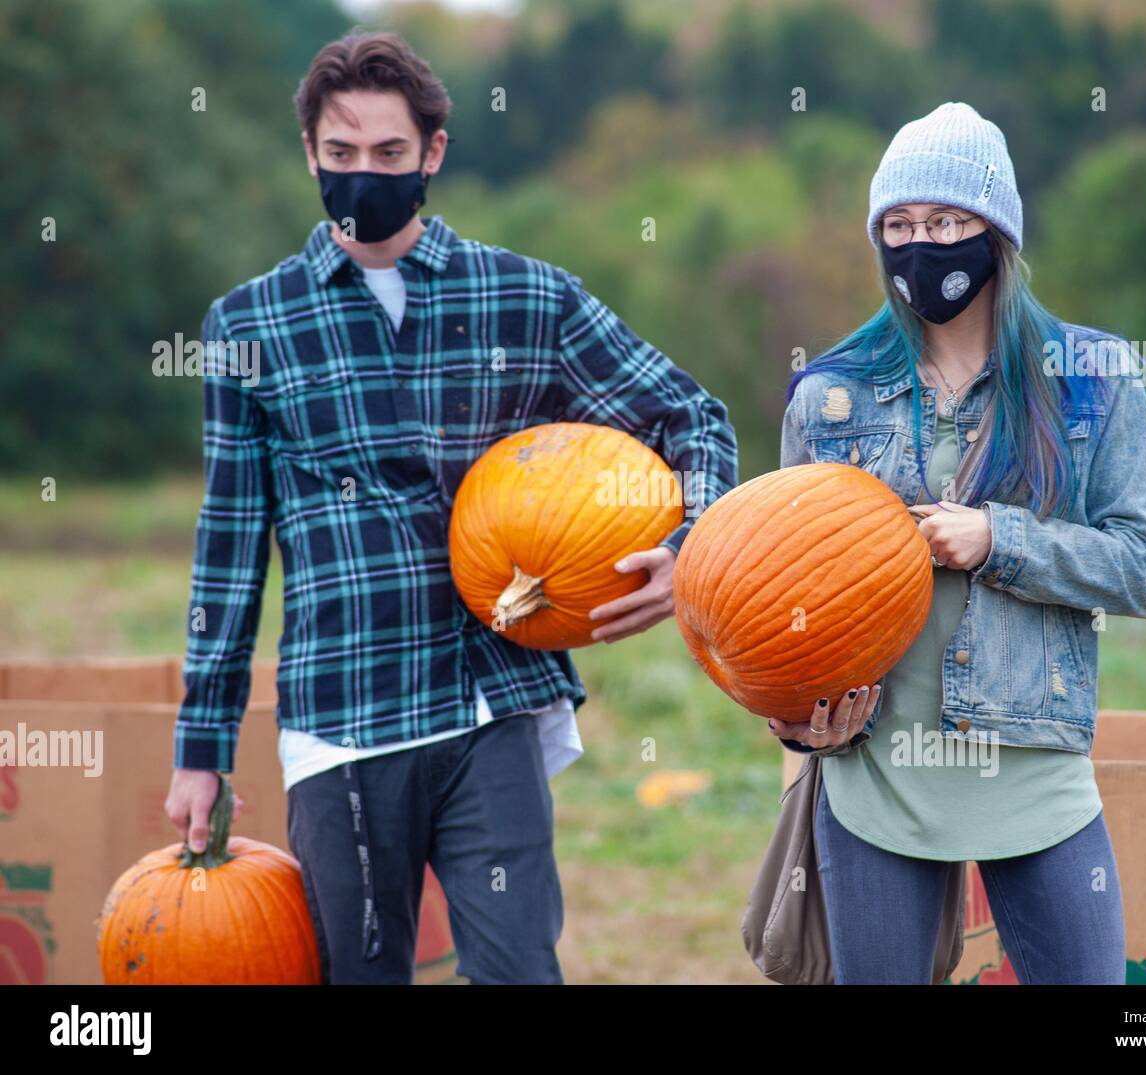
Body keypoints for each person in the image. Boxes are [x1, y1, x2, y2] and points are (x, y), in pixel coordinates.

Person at [164, 29, 738, 985]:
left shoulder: (525, 298)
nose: (363, 177)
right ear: (309, 153)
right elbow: (228, 549)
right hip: (342, 714)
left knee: (520, 971)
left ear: (432, 152)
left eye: (389, 155)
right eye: (340, 156)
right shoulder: (249, 326)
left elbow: (689, 413)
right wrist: (201, 749)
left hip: (490, 704)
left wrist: (690, 542)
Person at [771, 102, 1146, 984]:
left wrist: (1002, 539)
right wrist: (797, 714)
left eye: (948, 221)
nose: (924, 244)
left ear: (995, 232)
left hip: (1034, 775)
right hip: (877, 777)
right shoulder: (827, 396)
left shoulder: (1092, 382)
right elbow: (785, 589)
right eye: (901, 225)